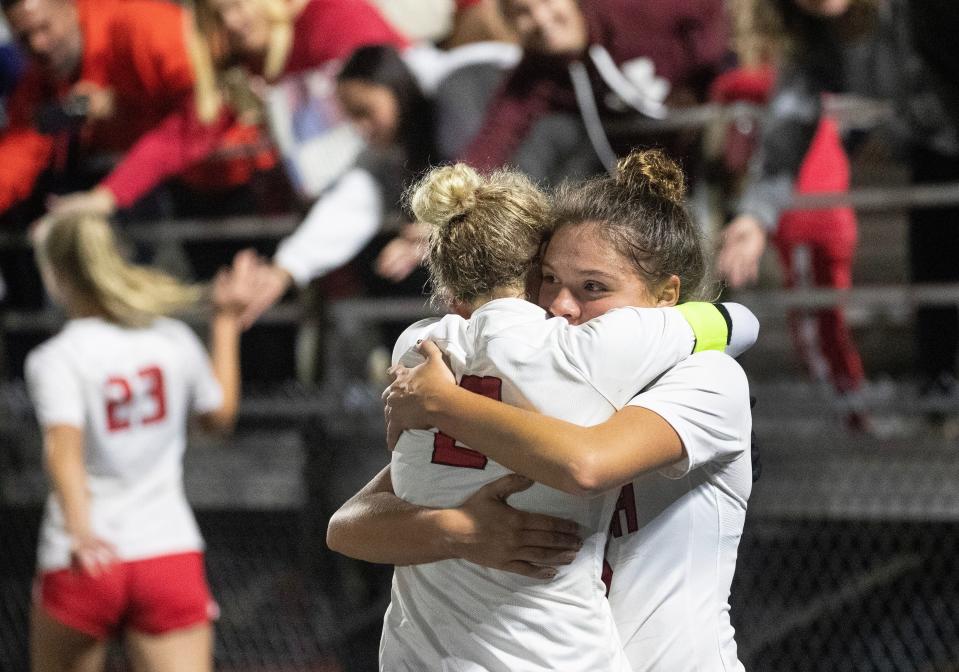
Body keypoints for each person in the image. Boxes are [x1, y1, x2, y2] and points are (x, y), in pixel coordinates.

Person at [329, 149, 754, 671]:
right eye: (549, 279)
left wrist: (442, 402)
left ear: (668, 296)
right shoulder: (539, 380)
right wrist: (457, 530)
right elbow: (350, 525)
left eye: (593, 287)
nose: (560, 306)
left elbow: (586, 465)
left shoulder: (706, 379)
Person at [24, 212, 258, 671]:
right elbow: (219, 417)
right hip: (166, 550)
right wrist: (225, 322)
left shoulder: (56, 357)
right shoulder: (170, 339)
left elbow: (62, 451)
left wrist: (80, 531)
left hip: (86, 558)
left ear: (56, 275)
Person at [716, 0, 959, 403]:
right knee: (933, 276)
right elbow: (789, 127)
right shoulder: (816, 42)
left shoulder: (921, 12)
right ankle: (940, 398)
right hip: (938, 153)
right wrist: (753, 218)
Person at [237, 43, 519, 328]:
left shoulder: (458, 92)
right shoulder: (390, 153)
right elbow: (350, 204)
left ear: (395, 88)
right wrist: (287, 267)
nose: (360, 128)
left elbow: (487, 177)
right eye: (351, 117)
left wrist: (443, 227)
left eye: (365, 111)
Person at [49, 0, 410, 218]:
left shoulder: (333, 18)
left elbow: (408, 88)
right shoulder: (243, 71)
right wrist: (104, 197)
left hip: (421, 179)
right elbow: (181, 136)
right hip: (372, 205)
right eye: (219, 15)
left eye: (238, 4)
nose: (234, 23)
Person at [459, 0, 729, 183]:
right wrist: (453, 199)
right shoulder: (538, 70)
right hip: (631, 162)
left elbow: (710, 11)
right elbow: (496, 135)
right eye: (522, 12)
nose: (541, 19)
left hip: (702, 130)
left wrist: (698, 78)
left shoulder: (626, 10)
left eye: (547, 1)